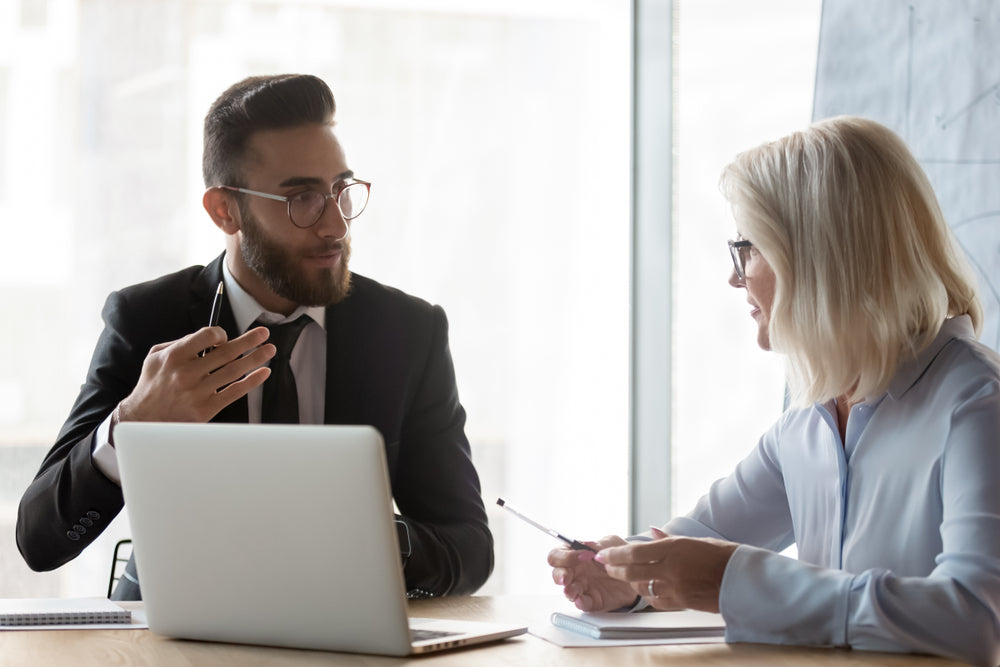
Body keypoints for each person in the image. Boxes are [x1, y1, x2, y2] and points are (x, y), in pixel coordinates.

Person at [17, 74, 493, 600]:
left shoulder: (407, 332)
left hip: (342, 628)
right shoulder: (148, 320)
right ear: (226, 210)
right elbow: (39, 542)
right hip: (171, 633)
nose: (336, 226)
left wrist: (372, 538)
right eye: (303, 199)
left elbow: (471, 548)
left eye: (341, 190)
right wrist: (131, 425)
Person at [549, 116, 1000, 666]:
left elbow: (975, 619)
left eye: (748, 248)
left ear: (818, 255)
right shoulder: (811, 419)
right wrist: (625, 571)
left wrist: (737, 582)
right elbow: (708, 531)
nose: (735, 278)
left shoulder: (977, 406)